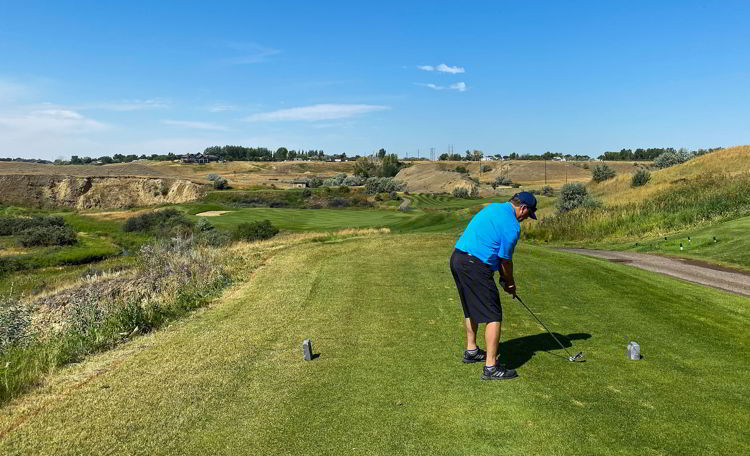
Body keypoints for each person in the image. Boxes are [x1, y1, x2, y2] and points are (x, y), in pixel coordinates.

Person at [450, 191, 537, 380]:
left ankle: (472, 350)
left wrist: (502, 279)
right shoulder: (512, 226)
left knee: (470, 307)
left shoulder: (493, 207)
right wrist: (510, 283)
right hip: (475, 265)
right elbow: (505, 261)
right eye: (527, 214)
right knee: (494, 315)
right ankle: (491, 367)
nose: (525, 219)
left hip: (458, 258)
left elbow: (491, 246)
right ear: (522, 208)